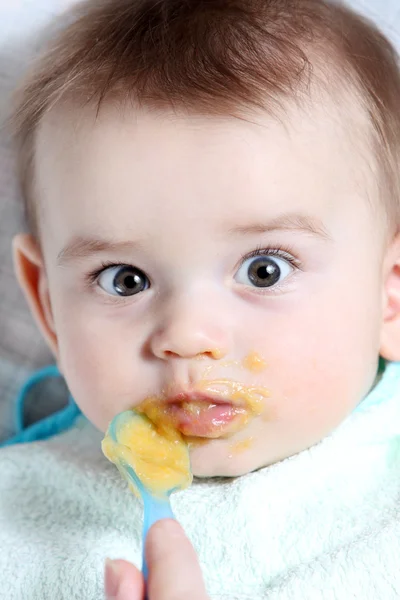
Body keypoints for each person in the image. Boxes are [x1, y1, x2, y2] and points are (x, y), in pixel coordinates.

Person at [2, 0, 400, 597]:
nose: (187, 334)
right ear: (48, 306)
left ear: (390, 294)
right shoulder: (19, 519)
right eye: (124, 279)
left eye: (264, 270)